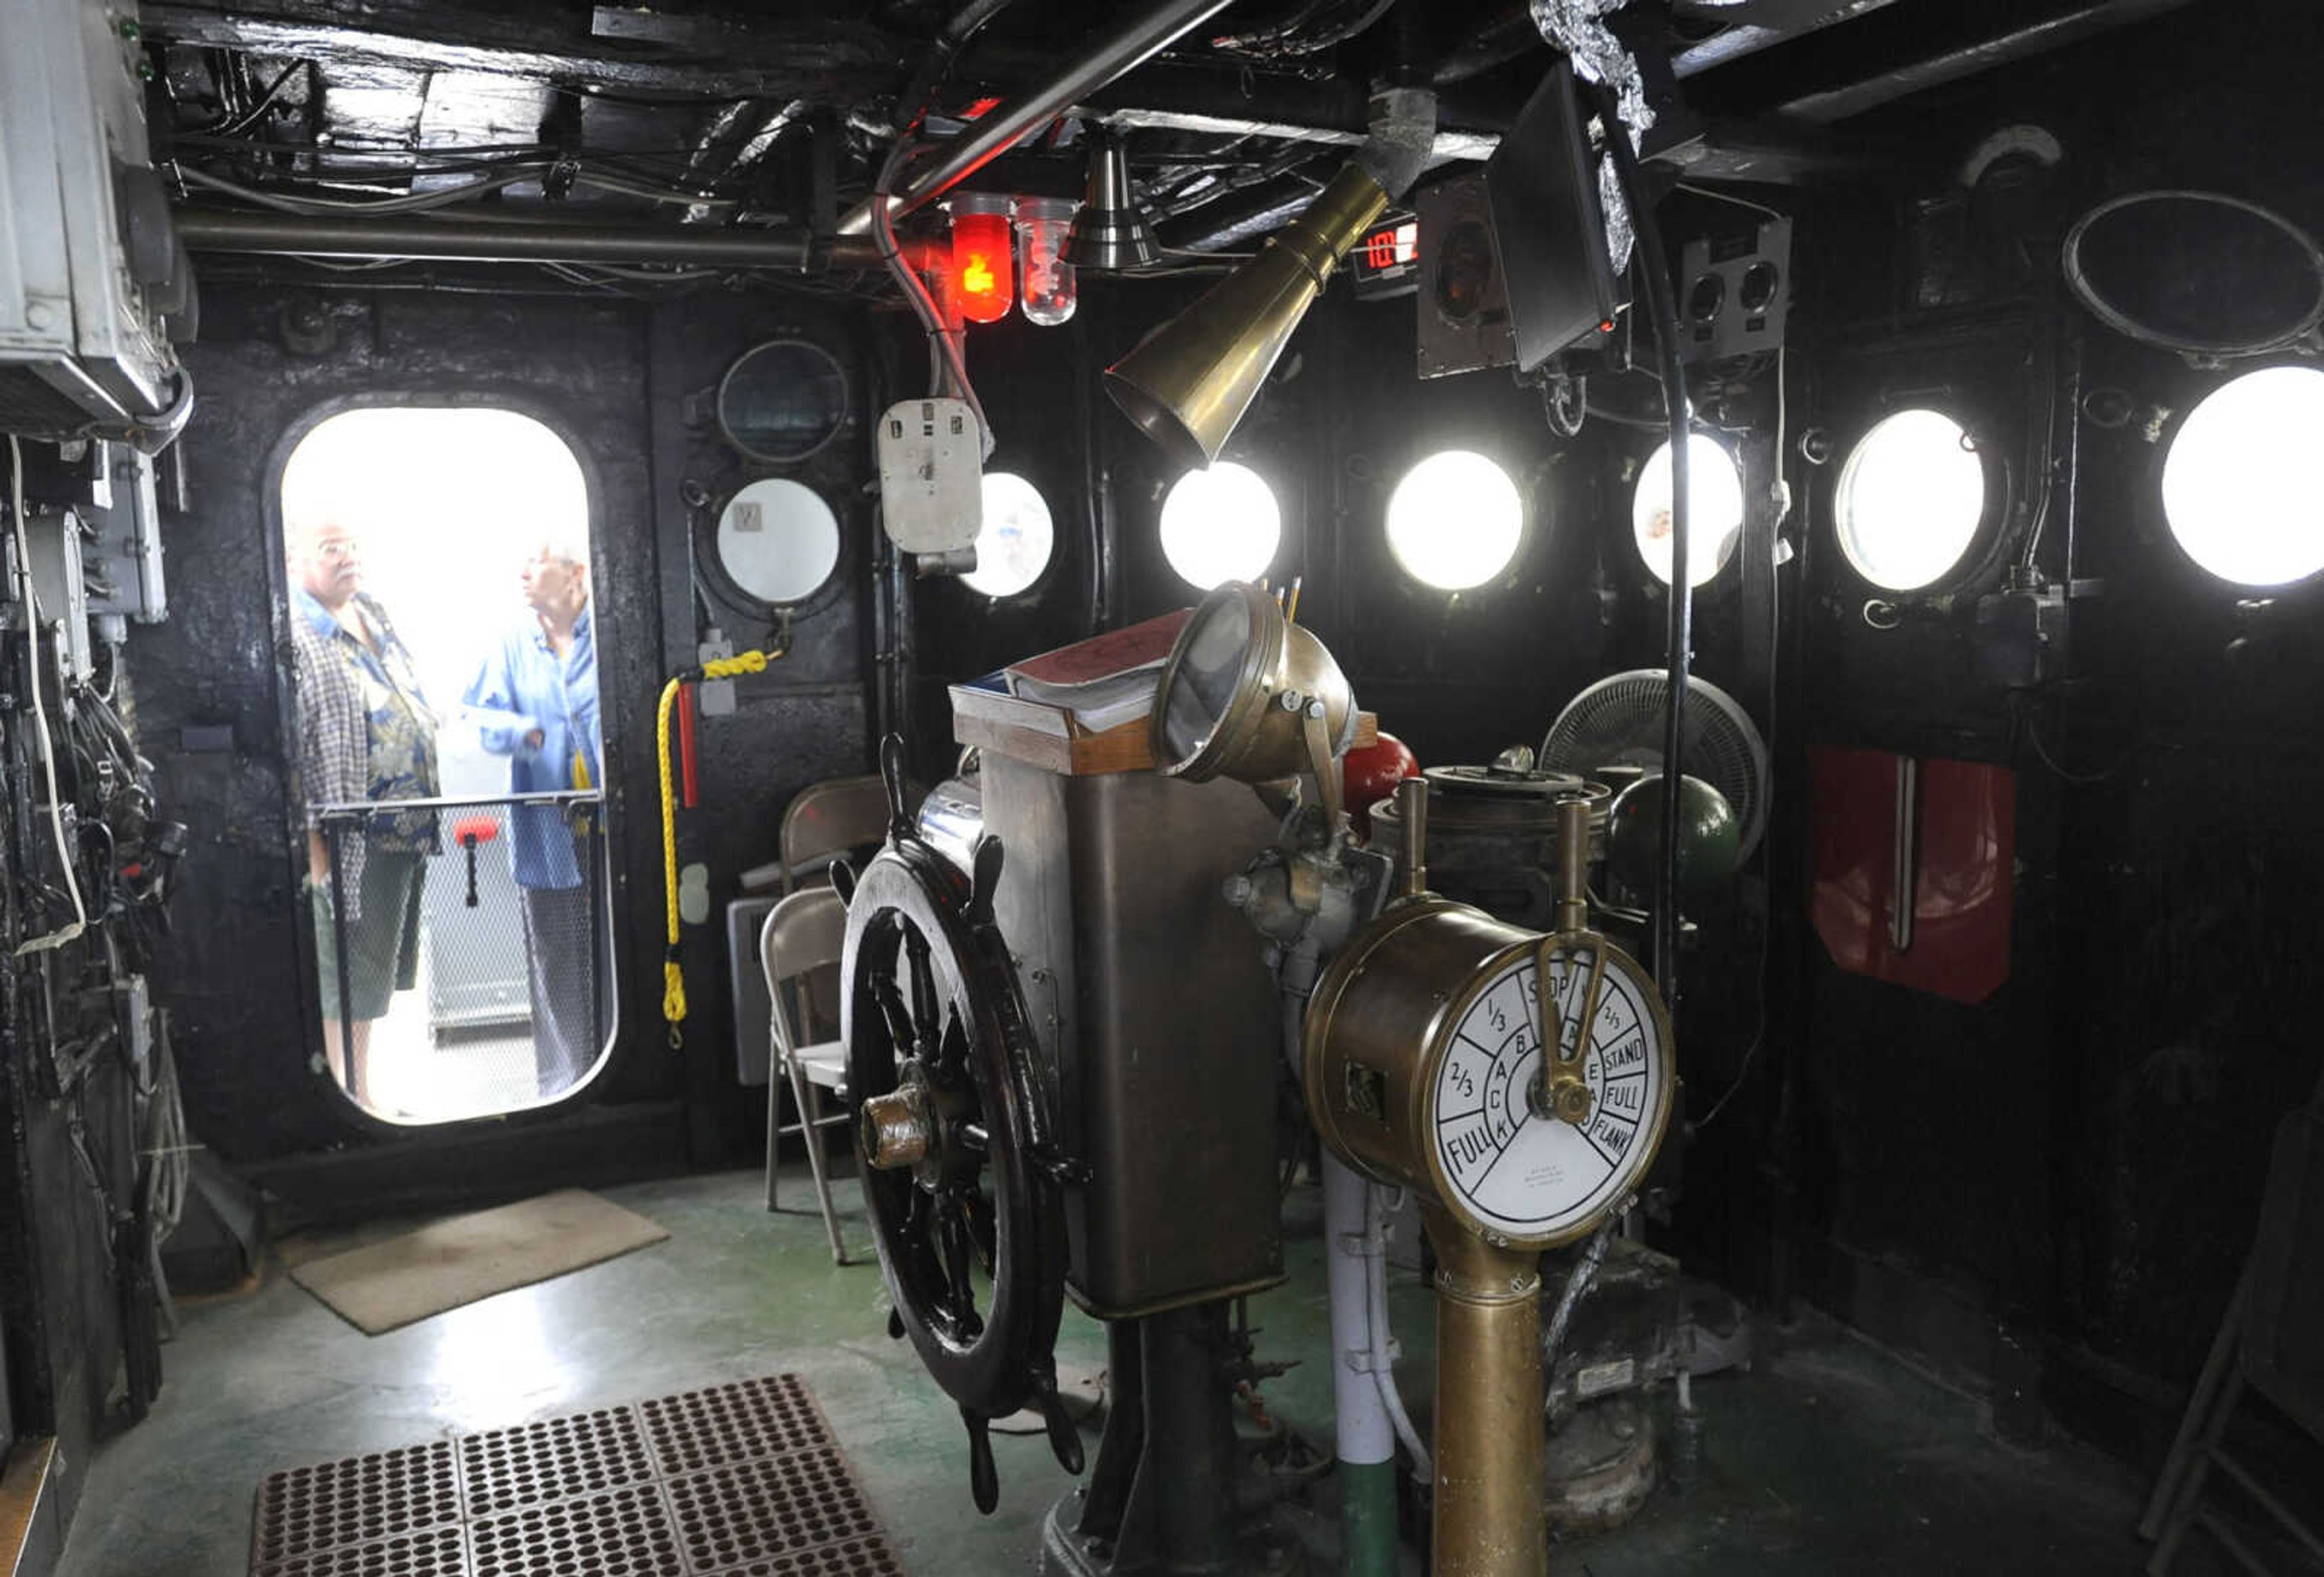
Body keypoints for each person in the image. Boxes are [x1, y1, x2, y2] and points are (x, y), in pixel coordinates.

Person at [288, 509, 439, 1107]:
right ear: (296, 561)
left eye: (352, 544)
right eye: (331, 546)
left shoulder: (372, 612)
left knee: (371, 982)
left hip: (402, 833)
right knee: (343, 983)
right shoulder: (299, 636)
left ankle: (363, 1092)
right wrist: (314, 845)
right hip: (351, 839)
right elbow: (292, 752)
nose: (347, 555)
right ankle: (352, 1103)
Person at [464, 533, 604, 1097]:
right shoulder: (509, 643)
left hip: (614, 829)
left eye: (536, 561)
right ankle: (569, 1080)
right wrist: (525, 733)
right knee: (557, 958)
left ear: (576, 574)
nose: (523, 573)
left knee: (617, 948)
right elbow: (475, 714)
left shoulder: (610, 634)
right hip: (548, 832)